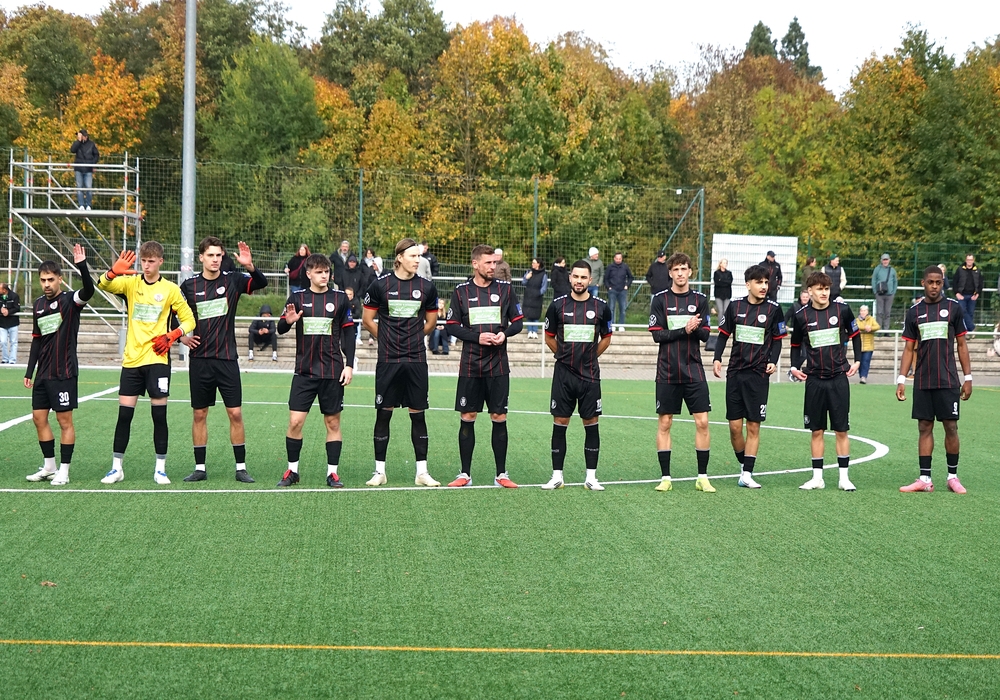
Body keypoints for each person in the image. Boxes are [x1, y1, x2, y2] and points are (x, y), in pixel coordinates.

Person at [98, 242, 196, 484]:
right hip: (132, 361)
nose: (147, 265)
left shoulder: (171, 289)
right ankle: (116, 468)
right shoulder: (131, 284)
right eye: (143, 261)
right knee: (124, 416)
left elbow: (190, 320)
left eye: (151, 261)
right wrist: (112, 272)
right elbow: (102, 285)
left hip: (157, 360)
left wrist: (173, 335)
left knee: (159, 416)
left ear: (161, 261)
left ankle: (160, 469)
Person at [179, 237, 268, 483]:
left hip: (227, 359)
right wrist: (181, 337)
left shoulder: (233, 280)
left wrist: (250, 266)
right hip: (200, 360)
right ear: (201, 257)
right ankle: (200, 468)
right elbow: (170, 311)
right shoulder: (189, 286)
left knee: (235, 413)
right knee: (199, 414)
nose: (215, 259)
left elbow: (261, 283)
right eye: (210, 255)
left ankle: (241, 468)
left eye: (219, 255)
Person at [362, 237, 442, 487]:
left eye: (419, 256)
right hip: (388, 359)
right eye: (413, 256)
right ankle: (379, 472)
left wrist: (414, 338)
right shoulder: (380, 285)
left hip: (416, 358)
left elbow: (431, 322)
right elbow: (367, 320)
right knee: (383, 414)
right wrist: (387, 339)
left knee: (418, 415)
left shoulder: (427, 287)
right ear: (399, 258)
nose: (418, 260)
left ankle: (422, 473)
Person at [445, 244, 524, 488]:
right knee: (468, 416)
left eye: (495, 263)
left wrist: (504, 334)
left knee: (499, 416)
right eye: (488, 263)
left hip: (498, 365)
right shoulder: (461, 292)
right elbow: (451, 325)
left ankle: (501, 474)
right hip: (470, 365)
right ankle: (464, 474)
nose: (493, 267)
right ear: (475, 264)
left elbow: (518, 322)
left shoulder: (505, 289)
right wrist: (476, 337)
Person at [275, 254, 356, 488]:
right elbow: (280, 328)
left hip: (332, 371)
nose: (324, 275)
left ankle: (332, 473)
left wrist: (349, 365)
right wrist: (289, 321)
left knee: (333, 423)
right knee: (295, 422)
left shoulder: (340, 298)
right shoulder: (297, 298)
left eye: (326, 272)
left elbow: (349, 334)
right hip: (305, 371)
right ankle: (292, 471)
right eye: (319, 272)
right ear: (308, 274)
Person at [897, 266, 973, 494]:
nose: (934, 286)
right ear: (923, 283)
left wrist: (968, 378)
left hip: (948, 379)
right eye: (930, 282)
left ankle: (952, 477)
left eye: (938, 282)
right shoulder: (914, 312)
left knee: (951, 426)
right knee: (924, 427)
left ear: (942, 283)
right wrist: (901, 379)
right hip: (922, 379)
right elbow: (909, 349)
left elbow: (962, 345)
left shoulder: (954, 308)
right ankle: (925, 479)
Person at [23, 245, 95, 486]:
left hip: (64, 372)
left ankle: (64, 470)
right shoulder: (38, 305)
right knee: (38, 418)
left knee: (65, 422)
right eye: (43, 280)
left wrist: (82, 265)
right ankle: (49, 466)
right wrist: (29, 371)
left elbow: (89, 290)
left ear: (60, 280)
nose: (46, 284)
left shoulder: (70, 300)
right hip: (43, 373)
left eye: (51, 279)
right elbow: (36, 339)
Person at [541, 260, 613, 491]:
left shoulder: (601, 307)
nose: (579, 281)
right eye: (576, 276)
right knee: (560, 422)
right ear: (570, 278)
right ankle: (557, 476)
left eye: (583, 277)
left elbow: (607, 338)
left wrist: (590, 357)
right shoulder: (557, 306)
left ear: (590, 280)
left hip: (589, 376)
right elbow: (549, 337)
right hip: (563, 375)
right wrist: (564, 356)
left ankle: (591, 477)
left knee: (591, 422)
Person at [712, 265, 786, 488]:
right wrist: (717, 358)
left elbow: (777, 340)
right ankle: (744, 465)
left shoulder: (774, 309)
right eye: (759, 282)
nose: (764, 286)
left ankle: (747, 473)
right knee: (735, 427)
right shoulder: (735, 306)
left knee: (753, 426)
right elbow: (723, 335)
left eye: (766, 282)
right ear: (748, 284)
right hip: (736, 372)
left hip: (758, 374)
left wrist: (773, 360)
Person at [788, 271, 862, 492]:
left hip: (838, 378)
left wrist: (858, 360)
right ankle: (817, 478)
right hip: (814, 380)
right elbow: (795, 345)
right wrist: (794, 366)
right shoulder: (801, 316)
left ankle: (844, 478)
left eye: (826, 289)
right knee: (816, 430)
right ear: (809, 291)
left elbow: (855, 335)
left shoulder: (842, 310)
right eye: (819, 289)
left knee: (841, 430)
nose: (824, 293)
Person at [647, 252, 714, 493]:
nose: (680, 273)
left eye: (684, 269)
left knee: (703, 422)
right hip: (667, 370)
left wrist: (695, 328)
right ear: (670, 273)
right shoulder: (660, 300)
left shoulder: (700, 299)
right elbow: (657, 335)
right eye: (676, 269)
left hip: (694, 369)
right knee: (665, 423)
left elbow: (705, 335)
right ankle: (665, 478)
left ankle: (702, 477)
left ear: (690, 272)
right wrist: (684, 329)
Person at [784, 289, 811, 382]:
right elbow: (786, 316)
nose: (805, 298)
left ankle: (793, 371)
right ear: (800, 297)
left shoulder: (811, 307)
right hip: (796, 334)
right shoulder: (795, 306)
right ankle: (794, 371)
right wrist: (784, 325)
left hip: (807, 335)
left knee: (805, 355)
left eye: (807, 297)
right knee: (797, 354)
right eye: (803, 297)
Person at [952, 254, 982, 333]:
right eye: (968, 260)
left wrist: (977, 294)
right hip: (962, 295)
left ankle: (968, 332)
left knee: (970, 313)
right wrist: (957, 293)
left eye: (971, 260)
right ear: (966, 260)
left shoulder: (977, 270)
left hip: (973, 296)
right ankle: (971, 328)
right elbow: (954, 282)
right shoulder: (960, 269)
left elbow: (981, 283)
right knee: (962, 311)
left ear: (973, 260)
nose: (969, 261)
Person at [70, 129, 99, 210]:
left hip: (88, 169)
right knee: (79, 187)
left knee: (89, 187)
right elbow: (72, 150)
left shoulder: (91, 144)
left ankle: (88, 205)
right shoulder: (77, 144)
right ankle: (81, 205)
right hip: (79, 169)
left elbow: (96, 155)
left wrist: (92, 164)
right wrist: (78, 141)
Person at [605, 252, 633, 333]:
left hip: (622, 291)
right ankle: (612, 325)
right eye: (617, 258)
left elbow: (631, 277)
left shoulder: (625, 267)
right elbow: (605, 278)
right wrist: (608, 287)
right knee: (611, 309)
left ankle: (621, 325)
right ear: (614, 258)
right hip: (612, 290)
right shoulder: (610, 267)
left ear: (622, 259)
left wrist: (627, 285)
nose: (618, 260)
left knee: (623, 309)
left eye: (619, 259)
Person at [521, 257, 548, 339]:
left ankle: (535, 331)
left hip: (537, 297)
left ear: (538, 264)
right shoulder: (529, 272)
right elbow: (523, 282)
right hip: (528, 296)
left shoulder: (543, 275)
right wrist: (527, 277)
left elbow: (544, 287)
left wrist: (538, 293)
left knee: (535, 314)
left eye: (534, 263)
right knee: (528, 314)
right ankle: (529, 331)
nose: (532, 264)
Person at [871, 254, 898, 329]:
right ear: (881, 260)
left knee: (887, 313)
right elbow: (873, 280)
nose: (885, 261)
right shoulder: (877, 269)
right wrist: (875, 291)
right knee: (879, 312)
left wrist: (893, 292)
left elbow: (895, 281)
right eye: (884, 260)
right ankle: (878, 329)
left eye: (886, 259)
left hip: (890, 295)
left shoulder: (892, 270)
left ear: (889, 260)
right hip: (879, 294)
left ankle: (886, 330)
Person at [856, 305, 879, 384]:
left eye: (864, 311)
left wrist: (871, 328)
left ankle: (863, 376)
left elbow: (877, 326)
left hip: (869, 345)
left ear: (867, 312)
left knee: (866, 361)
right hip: (859, 345)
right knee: (859, 362)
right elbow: (856, 326)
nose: (863, 312)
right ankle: (861, 375)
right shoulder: (856, 320)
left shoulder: (871, 319)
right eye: (861, 311)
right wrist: (865, 328)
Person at [0, 280, 20, 364]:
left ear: (4, 290)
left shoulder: (14, 296)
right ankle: (5, 358)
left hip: (13, 323)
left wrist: (8, 311)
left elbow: (17, 308)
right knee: (3, 341)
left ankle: (12, 360)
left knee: (13, 342)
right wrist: (1, 310)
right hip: (2, 323)